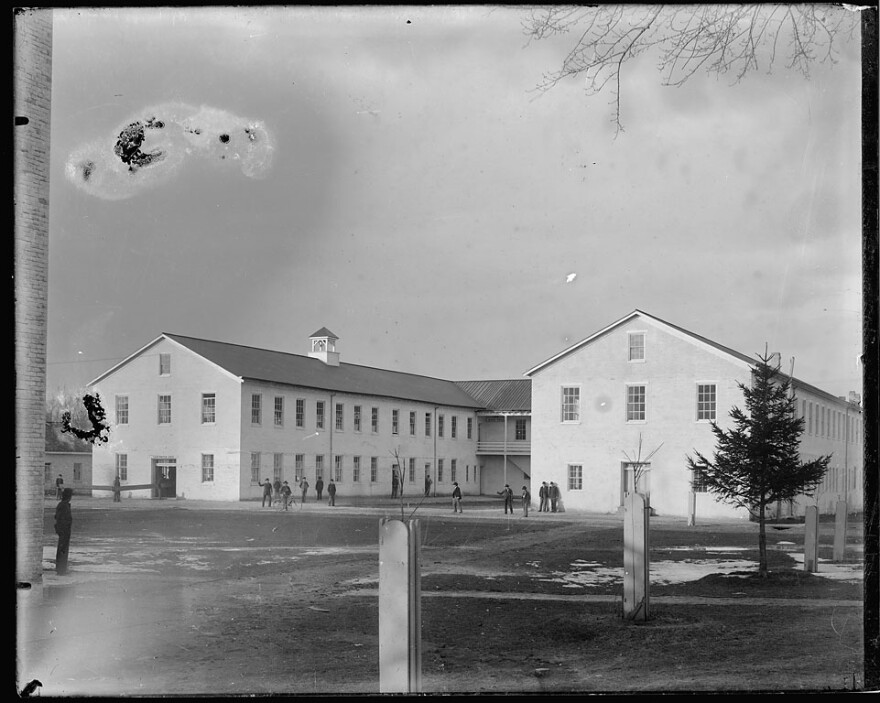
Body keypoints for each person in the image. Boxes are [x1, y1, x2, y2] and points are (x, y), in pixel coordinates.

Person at [54, 488, 73, 575]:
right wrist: (61, 529)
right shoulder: (63, 505)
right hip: (63, 530)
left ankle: (61, 568)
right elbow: (59, 518)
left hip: (65, 530)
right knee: (62, 549)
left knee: (63, 549)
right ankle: (61, 569)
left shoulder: (64, 505)